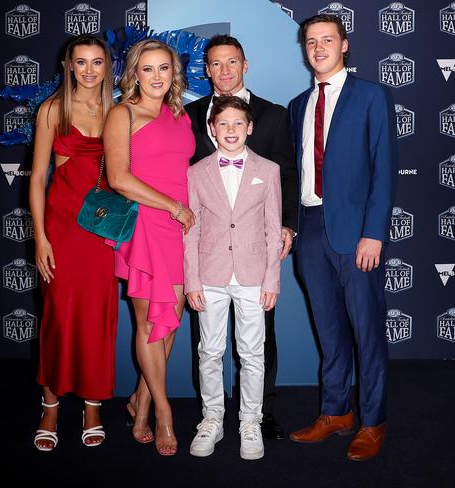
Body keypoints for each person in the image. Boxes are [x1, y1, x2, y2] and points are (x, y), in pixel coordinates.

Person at [287, 15, 398, 461]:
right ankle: (335, 412)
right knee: (329, 332)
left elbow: (384, 169)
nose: (318, 48)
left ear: (344, 45)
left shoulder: (372, 96)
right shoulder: (298, 104)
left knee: (366, 331)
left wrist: (374, 234)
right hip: (310, 229)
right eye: (311, 41)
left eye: (327, 40)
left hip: (357, 235)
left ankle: (373, 420)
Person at [185, 34, 297, 440]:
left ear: (245, 65)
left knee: (259, 338)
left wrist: (287, 226)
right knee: (207, 344)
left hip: (257, 246)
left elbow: (286, 173)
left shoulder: (274, 114)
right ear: (207, 69)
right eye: (216, 63)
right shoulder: (191, 114)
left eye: (232, 62)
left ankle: (258, 414)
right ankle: (211, 416)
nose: (225, 70)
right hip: (211, 252)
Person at [103, 39, 196, 457]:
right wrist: (174, 207)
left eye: (164, 68)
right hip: (145, 224)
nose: (157, 77)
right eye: (148, 69)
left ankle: (139, 401)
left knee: (169, 321)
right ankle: (162, 413)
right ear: (133, 73)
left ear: (173, 73)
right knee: (147, 324)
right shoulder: (122, 113)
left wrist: (186, 212)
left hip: (180, 228)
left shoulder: (180, 115)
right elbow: (119, 179)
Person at [29, 34, 118, 450]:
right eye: (80, 62)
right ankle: (50, 404)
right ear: (68, 65)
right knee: (58, 314)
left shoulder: (118, 111)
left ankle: (93, 404)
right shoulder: (52, 110)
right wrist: (40, 237)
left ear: (107, 66)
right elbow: (36, 178)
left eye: (96, 62)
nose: (88, 70)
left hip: (101, 226)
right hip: (61, 226)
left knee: (98, 315)